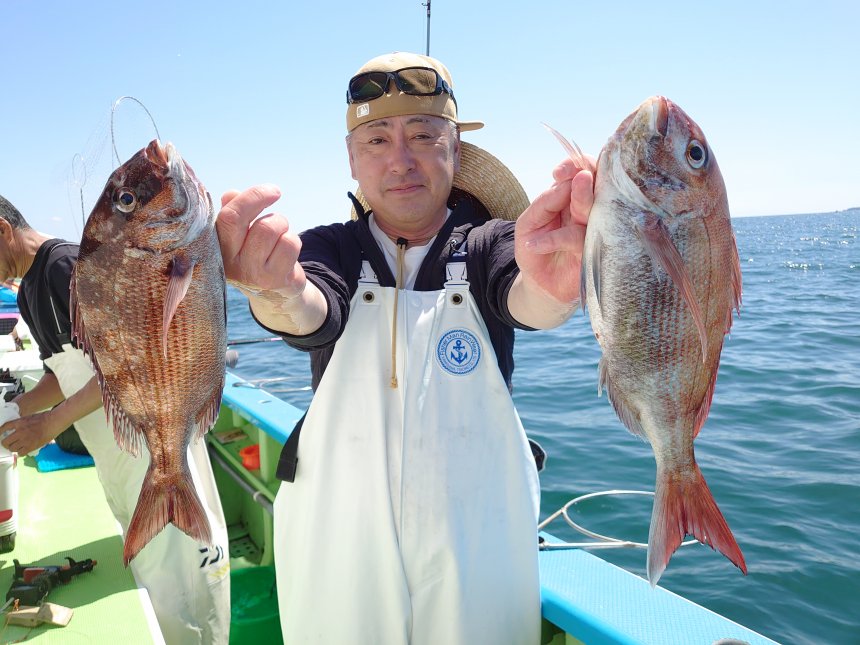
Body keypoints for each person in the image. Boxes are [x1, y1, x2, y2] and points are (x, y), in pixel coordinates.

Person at [216, 51, 594, 644]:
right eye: (376, 140)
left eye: (422, 135)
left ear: (455, 150)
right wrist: (275, 292)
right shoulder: (328, 248)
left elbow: (526, 297)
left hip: (477, 531)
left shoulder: (490, 244)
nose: (400, 160)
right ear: (352, 158)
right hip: (337, 528)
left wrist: (556, 286)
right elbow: (311, 310)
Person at [0, 194, 231, 644]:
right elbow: (62, 372)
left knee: (184, 570)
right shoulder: (27, 289)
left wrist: (48, 426)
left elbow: (127, 366)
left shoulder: (67, 267)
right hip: (114, 457)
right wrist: (17, 411)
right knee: (149, 568)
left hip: (151, 442)